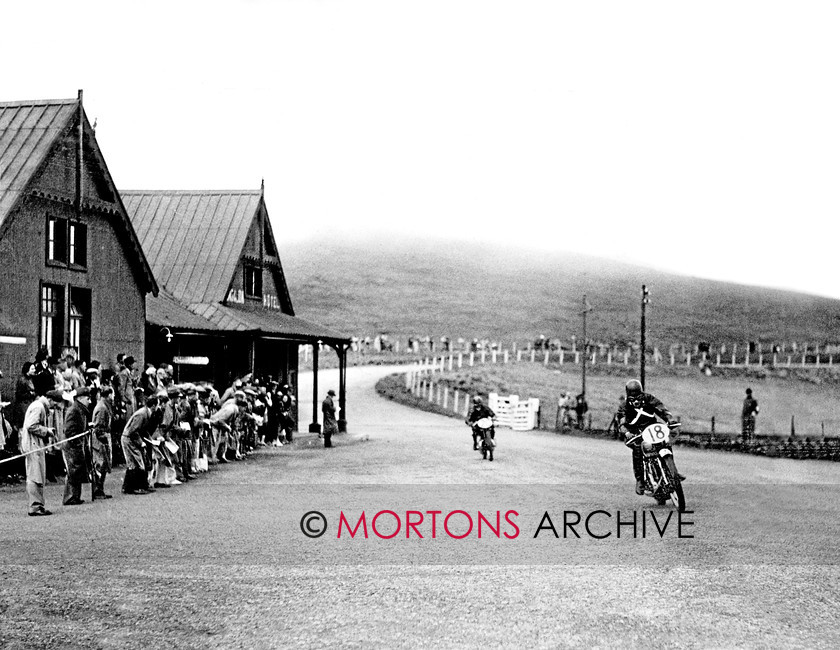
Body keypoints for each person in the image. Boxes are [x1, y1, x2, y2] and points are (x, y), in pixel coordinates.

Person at [617, 379, 683, 496]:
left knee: (665, 442)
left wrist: (669, 419)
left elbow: (660, 408)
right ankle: (640, 480)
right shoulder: (624, 406)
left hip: (652, 429)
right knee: (638, 449)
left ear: (641, 392)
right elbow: (622, 422)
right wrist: (627, 433)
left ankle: (673, 471)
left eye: (638, 395)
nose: (636, 400)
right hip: (635, 433)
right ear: (628, 395)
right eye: (633, 397)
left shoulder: (648, 398)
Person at [20, 390, 65, 516]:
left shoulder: (38, 406)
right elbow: (31, 426)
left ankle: (38, 504)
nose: (53, 408)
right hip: (32, 445)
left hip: (34, 444)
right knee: (35, 476)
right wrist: (47, 431)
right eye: (54, 404)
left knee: (37, 474)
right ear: (50, 400)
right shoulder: (38, 407)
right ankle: (35, 506)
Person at [121, 394, 160, 495]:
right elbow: (133, 431)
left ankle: (134, 486)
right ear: (153, 405)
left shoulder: (146, 413)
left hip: (132, 438)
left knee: (137, 462)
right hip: (129, 439)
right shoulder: (142, 414)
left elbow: (143, 430)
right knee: (138, 462)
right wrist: (141, 442)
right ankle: (135, 487)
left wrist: (150, 440)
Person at [62, 386, 92, 506]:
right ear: (80, 398)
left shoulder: (80, 409)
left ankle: (75, 496)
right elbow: (69, 430)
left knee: (77, 469)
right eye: (87, 398)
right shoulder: (74, 410)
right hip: (72, 445)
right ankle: (70, 497)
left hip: (77, 444)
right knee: (73, 470)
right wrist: (78, 442)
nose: (89, 401)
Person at [90, 386, 115, 499]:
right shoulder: (102, 407)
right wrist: (104, 437)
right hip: (100, 439)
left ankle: (100, 489)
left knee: (104, 465)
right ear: (109, 395)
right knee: (100, 465)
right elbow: (98, 427)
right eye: (112, 394)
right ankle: (97, 490)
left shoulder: (104, 406)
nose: (113, 397)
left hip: (103, 437)